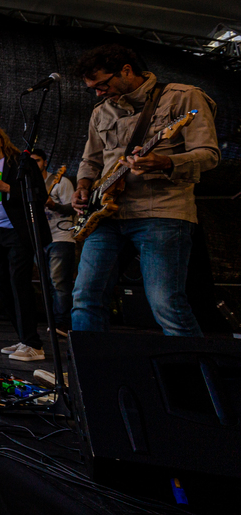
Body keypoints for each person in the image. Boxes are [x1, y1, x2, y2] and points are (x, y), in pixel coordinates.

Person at [71, 44, 219, 336]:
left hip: (162, 212)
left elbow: (209, 155)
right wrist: (83, 185)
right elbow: (91, 159)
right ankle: (91, 376)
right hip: (106, 217)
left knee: (166, 304)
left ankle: (195, 375)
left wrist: (166, 162)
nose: (98, 93)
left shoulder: (183, 97)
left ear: (126, 71)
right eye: (93, 88)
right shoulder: (101, 111)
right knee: (84, 298)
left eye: (102, 84)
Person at [0, 124, 50, 362]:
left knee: (19, 284)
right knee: (3, 286)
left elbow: (40, 195)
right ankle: (24, 338)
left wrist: (8, 189)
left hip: (19, 232)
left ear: (1, 140)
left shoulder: (20, 163)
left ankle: (34, 344)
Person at [29, 149, 76, 331]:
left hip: (60, 238)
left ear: (45, 162)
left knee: (59, 282)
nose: (35, 165)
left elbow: (73, 208)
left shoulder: (60, 182)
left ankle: (62, 323)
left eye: (38, 161)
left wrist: (52, 204)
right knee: (46, 283)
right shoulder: (27, 185)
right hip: (38, 239)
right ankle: (52, 321)